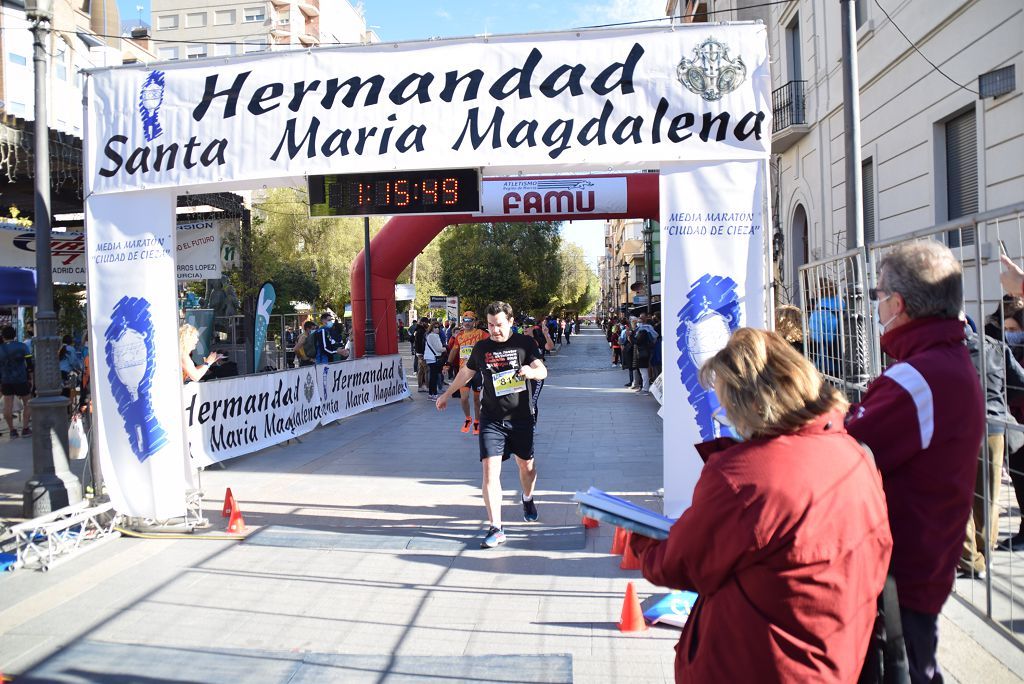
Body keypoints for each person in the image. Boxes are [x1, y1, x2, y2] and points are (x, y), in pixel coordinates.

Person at [630, 328, 892, 683]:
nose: (726, 415)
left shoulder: (746, 474)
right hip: (834, 656)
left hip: (761, 662)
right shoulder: (853, 454)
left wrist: (642, 535)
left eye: (726, 403)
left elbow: (679, 564)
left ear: (752, 403)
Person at [846, 241, 985, 683]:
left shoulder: (915, 377)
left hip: (897, 574)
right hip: (921, 564)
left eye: (878, 295)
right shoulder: (943, 361)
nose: (878, 306)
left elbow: (843, 450)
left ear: (898, 303)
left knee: (904, 669)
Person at [436, 301, 547, 548]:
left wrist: (530, 370)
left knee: (526, 466)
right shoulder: (482, 346)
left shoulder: (524, 343)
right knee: (489, 470)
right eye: (490, 325)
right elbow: (467, 372)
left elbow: (543, 371)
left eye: (498, 325)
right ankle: (496, 527)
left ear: (510, 321)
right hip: (491, 418)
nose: (494, 330)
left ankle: (527, 497)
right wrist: (446, 394)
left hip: (521, 417)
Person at [444, 311, 489, 434]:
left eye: (470, 321)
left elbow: (491, 344)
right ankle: (468, 418)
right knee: (463, 398)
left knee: (476, 399)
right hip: (464, 372)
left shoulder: (481, 334)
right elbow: (454, 350)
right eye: (465, 320)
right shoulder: (460, 336)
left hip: (478, 372)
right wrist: (447, 364)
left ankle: (477, 422)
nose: (467, 323)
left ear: (475, 322)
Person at [0, 325, 32, 438]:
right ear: (14, 335)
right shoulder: (22, 346)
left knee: (7, 406)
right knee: (28, 403)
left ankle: (12, 430)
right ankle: (25, 428)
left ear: (3, 336)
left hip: (6, 380)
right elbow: (30, 364)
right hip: (21, 379)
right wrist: (31, 378)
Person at [424, 322, 446, 400]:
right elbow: (438, 349)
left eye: (438, 327)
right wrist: (445, 348)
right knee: (435, 377)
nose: (437, 329)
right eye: (435, 327)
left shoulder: (430, 335)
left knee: (433, 376)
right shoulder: (433, 336)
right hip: (434, 358)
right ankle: (434, 394)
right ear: (432, 328)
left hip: (431, 358)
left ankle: (431, 394)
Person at [413, 317, 429, 392]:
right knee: (426, 370)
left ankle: (420, 386)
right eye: (426, 322)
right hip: (422, 353)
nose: (427, 324)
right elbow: (420, 343)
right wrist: (422, 353)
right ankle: (425, 386)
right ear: (423, 322)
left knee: (421, 370)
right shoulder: (421, 331)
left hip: (419, 353)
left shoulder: (418, 330)